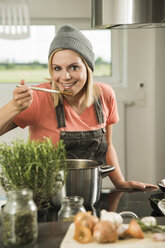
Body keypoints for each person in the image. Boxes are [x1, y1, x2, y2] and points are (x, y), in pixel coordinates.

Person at [0, 24, 157, 190]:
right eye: (57, 69)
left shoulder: (104, 94)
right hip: (43, 196)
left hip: (90, 192)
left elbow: (108, 146)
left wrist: (120, 183)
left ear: (87, 68)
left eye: (73, 67)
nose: (65, 77)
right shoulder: (39, 98)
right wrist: (15, 106)